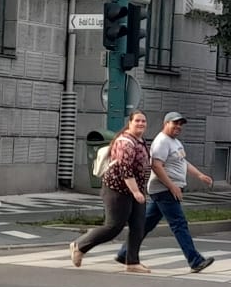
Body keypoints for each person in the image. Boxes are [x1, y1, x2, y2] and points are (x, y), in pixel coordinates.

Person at [118, 111, 217, 273]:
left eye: (180, 124)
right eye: (175, 123)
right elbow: (156, 166)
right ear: (166, 123)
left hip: (166, 190)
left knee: (145, 224)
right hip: (163, 189)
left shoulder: (174, 142)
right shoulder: (162, 141)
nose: (178, 126)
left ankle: (124, 253)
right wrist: (172, 186)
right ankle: (195, 260)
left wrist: (199, 175)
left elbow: (182, 161)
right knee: (179, 224)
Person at [72, 110, 152, 273]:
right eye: (137, 121)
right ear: (129, 123)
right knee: (113, 226)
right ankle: (79, 246)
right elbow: (125, 169)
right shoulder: (125, 142)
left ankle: (132, 262)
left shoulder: (139, 141)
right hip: (117, 190)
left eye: (143, 121)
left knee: (138, 225)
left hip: (134, 190)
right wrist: (136, 191)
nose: (141, 124)